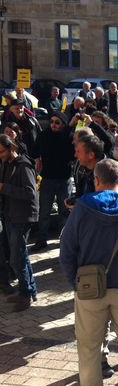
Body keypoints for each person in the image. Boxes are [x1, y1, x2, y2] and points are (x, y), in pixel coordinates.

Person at [59, 158, 118, 386]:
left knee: (89, 348)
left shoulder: (81, 209)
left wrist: (75, 283)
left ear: (96, 180)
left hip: (90, 289)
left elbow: (66, 251)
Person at [0, 134, 39, 312]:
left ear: (11, 148)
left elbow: (30, 193)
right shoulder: (7, 164)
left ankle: (26, 294)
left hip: (22, 217)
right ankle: (29, 290)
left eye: (1, 151)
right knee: (20, 256)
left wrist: (4, 188)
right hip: (10, 215)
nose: (0, 155)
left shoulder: (23, 166)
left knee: (17, 258)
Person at [30, 112, 74, 251]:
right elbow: (34, 150)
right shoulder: (44, 135)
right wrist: (37, 160)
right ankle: (41, 239)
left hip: (64, 179)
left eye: (57, 122)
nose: (53, 125)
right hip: (47, 178)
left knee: (64, 211)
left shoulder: (69, 136)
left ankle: (64, 239)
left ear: (63, 124)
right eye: (52, 122)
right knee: (44, 212)